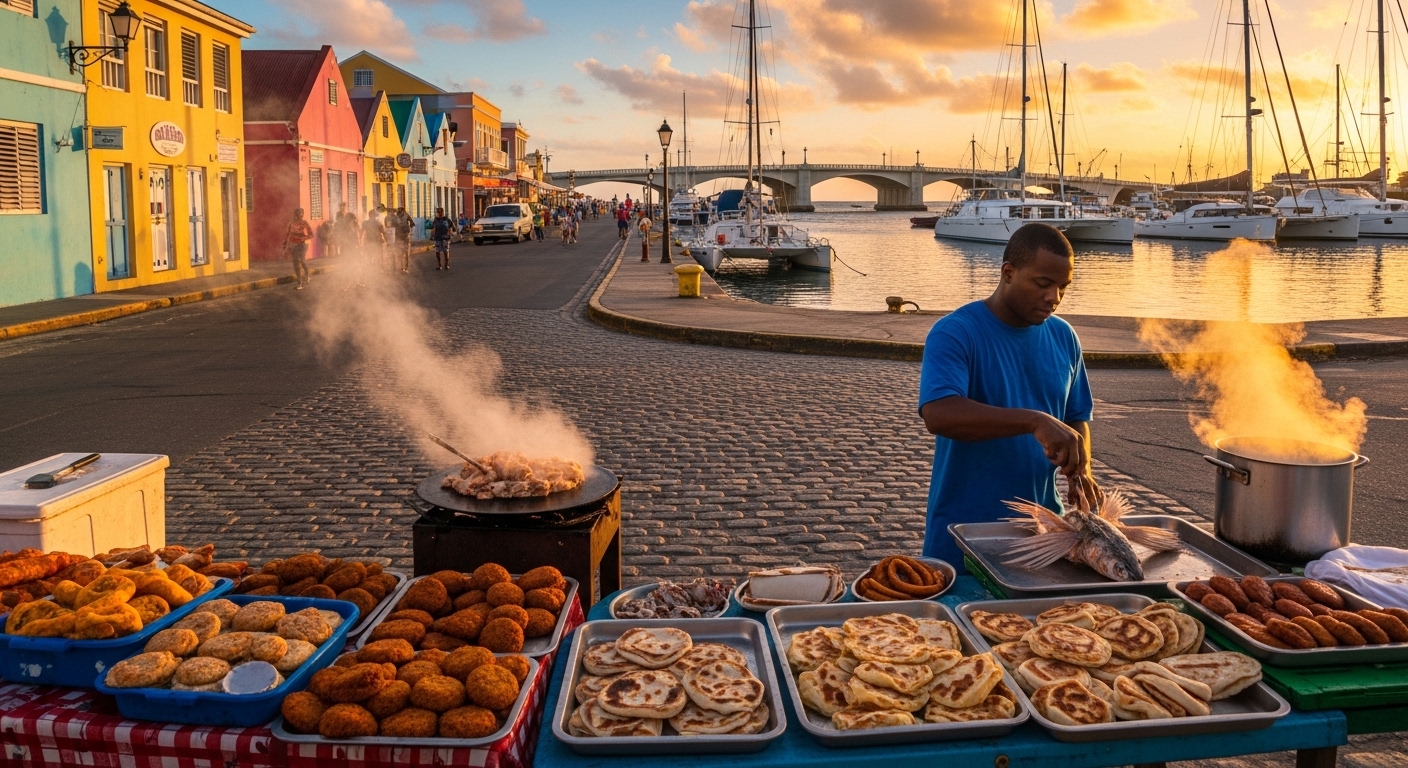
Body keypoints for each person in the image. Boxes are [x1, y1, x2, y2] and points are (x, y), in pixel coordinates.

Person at [917, 223, 1101, 568]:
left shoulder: (1064, 337)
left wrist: (1081, 466)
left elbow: (1076, 416)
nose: (1054, 298)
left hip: (1045, 539)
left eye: (1063, 287)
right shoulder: (955, 332)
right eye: (1043, 284)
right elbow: (938, 413)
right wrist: (1034, 421)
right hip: (963, 539)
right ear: (1008, 273)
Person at [284, 207, 313, 289]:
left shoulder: (304, 223)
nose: (297, 216)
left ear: (302, 215)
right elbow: (287, 235)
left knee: (302, 260)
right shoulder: (291, 224)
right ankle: (299, 283)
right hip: (293, 244)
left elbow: (311, 235)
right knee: (295, 264)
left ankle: (307, 274)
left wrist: (303, 238)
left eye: (300, 214)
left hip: (303, 244)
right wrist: (285, 246)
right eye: (296, 214)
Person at [393, 207, 413, 273]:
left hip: (405, 237)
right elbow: (392, 227)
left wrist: (408, 229)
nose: (399, 212)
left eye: (400, 211)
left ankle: (405, 268)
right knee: (400, 253)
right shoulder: (395, 218)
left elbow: (412, 224)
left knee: (405, 253)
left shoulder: (406, 216)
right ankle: (402, 268)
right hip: (399, 237)